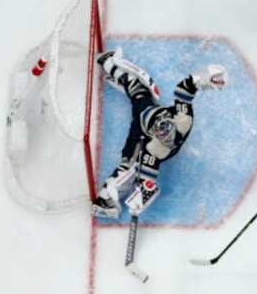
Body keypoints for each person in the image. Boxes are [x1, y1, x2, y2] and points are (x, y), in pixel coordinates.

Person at [91, 48, 228, 219]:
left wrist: (141, 197)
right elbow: (184, 90)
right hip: (146, 110)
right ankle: (108, 62)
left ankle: (105, 199)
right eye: (160, 126)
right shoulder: (183, 119)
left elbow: (146, 178)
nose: (160, 127)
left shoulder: (155, 149)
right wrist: (202, 78)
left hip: (139, 131)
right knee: (136, 87)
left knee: (128, 166)